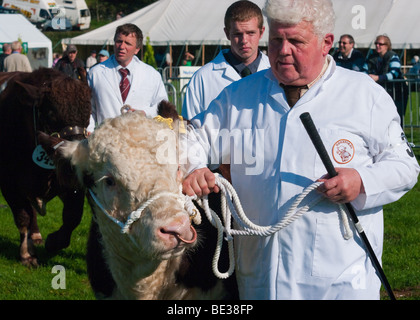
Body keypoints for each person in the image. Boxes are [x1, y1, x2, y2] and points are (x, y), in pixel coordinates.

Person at [181, 0, 420, 300]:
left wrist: (361, 181)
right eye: (277, 40)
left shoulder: (363, 95)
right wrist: (193, 167)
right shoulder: (238, 97)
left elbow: (404, 165)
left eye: (296, 41)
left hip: (340, 279)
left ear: (326, 43)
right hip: (261, 277)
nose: (283, 50)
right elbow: (191, 138)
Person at [181, 0, 270, 120]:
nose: (244, 40)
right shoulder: (202, 78)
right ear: (227, 33)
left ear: (261, 32)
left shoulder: (276, 73)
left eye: (250, 33)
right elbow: (190, 131)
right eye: (237, 34)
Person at [87, 23, 167, 133]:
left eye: (128, 43)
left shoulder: (152, 75)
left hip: (141, 142)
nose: (122, 47)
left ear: (137, 49)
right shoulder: (96, 73)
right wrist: (88, 133)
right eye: (119, 41)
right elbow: (89, 110)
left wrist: (144, 112)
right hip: (106, 142)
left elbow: (162, 108)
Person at [364, 35, 408, 123]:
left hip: (397, 93)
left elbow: (394, 74)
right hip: (381, 93)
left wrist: (378, 78)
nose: (377, 45)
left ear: (387, 46)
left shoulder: (393, 56)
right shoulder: (372, 58)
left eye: (380, 44)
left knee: (396, 120)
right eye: (376, 43)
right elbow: (364, 70)